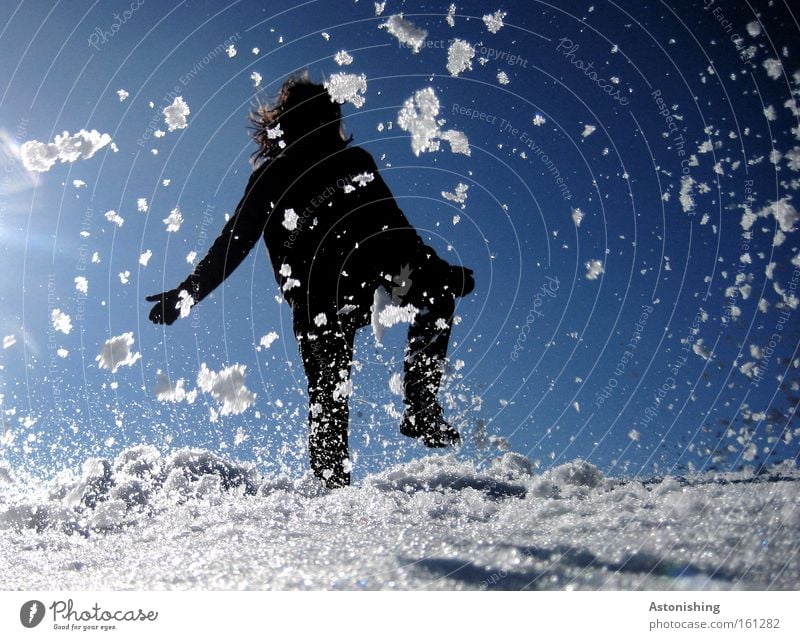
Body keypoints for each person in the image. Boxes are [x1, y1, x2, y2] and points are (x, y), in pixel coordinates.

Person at [146, 74, 474, 488]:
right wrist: (187, 293)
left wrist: (435, 269)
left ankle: (421, 406)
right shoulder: (272, 178)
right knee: (329, 390)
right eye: (311, 119)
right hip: (317, 299)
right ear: (288, 124)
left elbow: (395, 230)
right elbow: (234, 243)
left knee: (434, 291)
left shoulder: (354, 163)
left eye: (327, 117)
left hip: (367, 268)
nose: (321, 127)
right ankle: (333, 493)